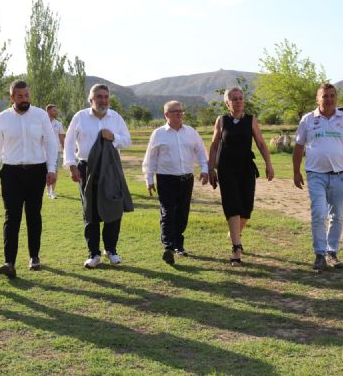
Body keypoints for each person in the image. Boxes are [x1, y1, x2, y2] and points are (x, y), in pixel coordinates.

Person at [293, 83, 343, 271]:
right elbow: (299, 147)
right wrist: (296, 171)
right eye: (325, 96)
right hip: (315, 175)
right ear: (317, 99)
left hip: (339, 176)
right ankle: (319, 254)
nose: (329, 99)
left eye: (332, 95)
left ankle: (331, 252)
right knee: (318, 213)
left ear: (336, 98)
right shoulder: (308, 120)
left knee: (337, 215)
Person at [0, 80, 57, 279]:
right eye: (20, 96)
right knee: (12, 217)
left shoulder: (40, 115)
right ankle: (9, 262)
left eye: (26, 95)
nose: (24, 99)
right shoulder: (2, 118)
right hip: (11, 173)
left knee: (34, 215)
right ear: (11, 97)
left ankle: (34, 256)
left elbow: (51, 143)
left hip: (37, 171)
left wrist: (51, 169)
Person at [64, 84, 132, 269]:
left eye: (106, 96)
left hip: (110, 169)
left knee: (113, 207)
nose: (103, 100)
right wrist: (71, 166)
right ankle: (93, 253)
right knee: (90, 211)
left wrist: (113, 137)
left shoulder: (115, 117)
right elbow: (69, 143)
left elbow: (127, 140)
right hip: (86, 168)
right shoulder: (80, 117)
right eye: (99, 96)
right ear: (91, 99)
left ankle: (111, 250)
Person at [207, 86, 274, 265]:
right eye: (234, 99)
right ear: (227, 103)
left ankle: (234, 232)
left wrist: (268, 163)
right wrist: (211, 168)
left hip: (245, 168)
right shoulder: (221, 121)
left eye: (240, 98)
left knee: (246, 208)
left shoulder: (251, 120)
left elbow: (260, 143)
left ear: (243, 101)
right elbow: (214, 146)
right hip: (226, 168)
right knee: (232, 205)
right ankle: (237, 247)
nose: (237, 102)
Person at [142, 101, 209, 264]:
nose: (180, 114)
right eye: (175, 111)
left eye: (181, 111)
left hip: (186, 178)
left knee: (182, 213)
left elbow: (200, 151)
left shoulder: (191, 132)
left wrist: (205, 169)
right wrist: (149, 179)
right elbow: (150, 158)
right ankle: (168, 247)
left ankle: (178, 244)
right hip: (166, 179)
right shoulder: (158, 134)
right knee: (168, 212)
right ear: (166, 114)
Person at [46, 104, 66, 199]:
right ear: (48, 111)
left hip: (56, 152)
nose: (56, 112)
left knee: (55, 172)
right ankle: (47, 190)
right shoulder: (42, 123)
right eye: (54, 110)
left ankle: (52, 191)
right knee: (45, 172)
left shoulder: (59, 124)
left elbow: (62, 139)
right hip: (43, 152)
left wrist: (65, 151)